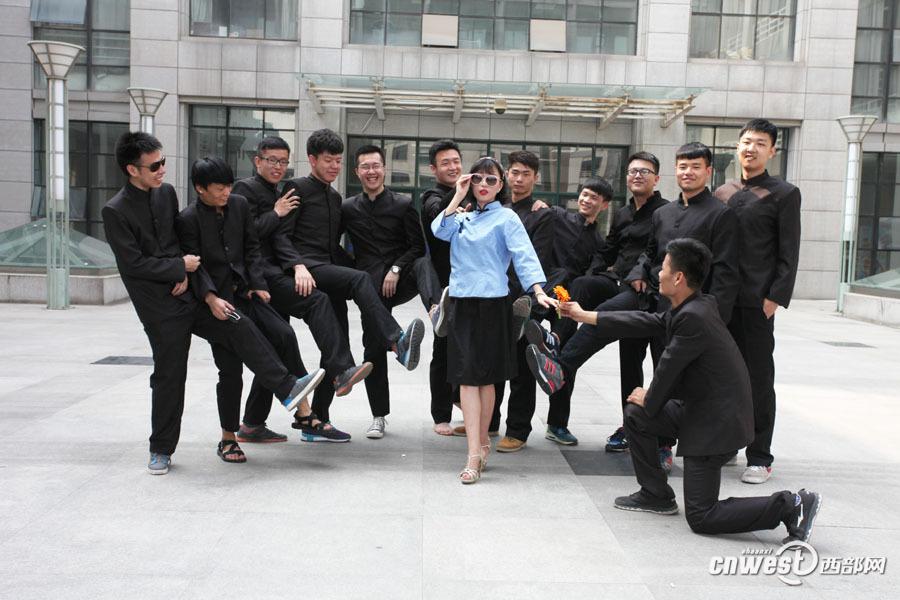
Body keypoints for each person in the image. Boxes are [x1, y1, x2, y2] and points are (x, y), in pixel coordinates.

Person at [526, 238, 821, 542]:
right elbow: (645, 320)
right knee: (636, 414)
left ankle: (792, 505)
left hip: (716, 424)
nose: (658, 273)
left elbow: (668, 367)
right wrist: (586, 315)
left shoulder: (694, 317)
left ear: (678, 278)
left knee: (702, 515)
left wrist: (651, 395)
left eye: (664, 268)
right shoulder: (694, 306)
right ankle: (655, 494)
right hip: (700, 410)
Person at [102, 132, 316, 474]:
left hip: (191, 294)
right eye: (154, 166)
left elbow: (176, 242)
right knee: (170, 376)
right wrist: (178, 267)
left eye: (163, 162)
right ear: (132, 169)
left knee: (238, 324)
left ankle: (288, 389)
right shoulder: (115, 210)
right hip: (160, 308)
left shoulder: (166, 193)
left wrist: (191, 278)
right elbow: (133, 264)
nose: (162, 170)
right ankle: (161, 449)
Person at [524, 143, 739, 472]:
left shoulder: (720, 214)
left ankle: (663, 444)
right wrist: (638, 272)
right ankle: (561, 369)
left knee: (668, 371)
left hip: (687, 309)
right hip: (646, 294)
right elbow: (649, 253)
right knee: (607, 324)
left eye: (695, 166)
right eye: (683, 166)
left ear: (708, 171)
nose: (688, 172)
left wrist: (715, 317)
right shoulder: (663, 214)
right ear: (675, 171)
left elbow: (725, 271)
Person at [176, 156, 326, 462]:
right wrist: (210, 298)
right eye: (219, 188)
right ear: (200, 188)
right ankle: (228, 439)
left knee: (283, 334)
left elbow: (251, 248)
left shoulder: (239, 205)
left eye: (229, 186)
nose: (226, 193)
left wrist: (258, 283)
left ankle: (296, 400)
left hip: (246, 293)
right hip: (217, 303)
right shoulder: (188, 219)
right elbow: (195, 266)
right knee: (230, 371)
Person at [282, 128, 425, 438]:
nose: (334, 166)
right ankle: (397, 341)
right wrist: (297, 265)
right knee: (360, 285)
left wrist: (392, 269)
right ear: (312, 160)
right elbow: (282, 234)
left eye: (338, 160)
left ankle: (316, 422)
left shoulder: (336, 199)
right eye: (328, 160)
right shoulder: (300, 189)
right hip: (312, 272)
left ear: (384, 168)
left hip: (344, 275)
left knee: (335, 346)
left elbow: (333, 246)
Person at [232, 136, 372, 444]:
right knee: (311, 308)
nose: (278, 167)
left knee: (278, 345)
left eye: (283, 161)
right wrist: (276, 214)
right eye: (272, 160)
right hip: (260, 280)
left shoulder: (283, 191)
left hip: (277, 276)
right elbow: (243, 235)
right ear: (257, 161)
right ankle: (325, 392)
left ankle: (254, 423)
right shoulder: (246, 189)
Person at [529, 152, 668, 454]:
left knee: (612, 327)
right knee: (629, 364)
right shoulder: (623, 214)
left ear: (656, 178)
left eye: (644, 171)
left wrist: (640, 272)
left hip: (650, 294)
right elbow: (608, 251)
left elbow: (657, 250)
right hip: (621, 289)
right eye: (632, 171)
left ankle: (560, 364)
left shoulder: (665, 212)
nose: (637, 175)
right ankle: (630, 425)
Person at [431, 156, 555, 484]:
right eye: (478, 179)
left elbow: (524, 254)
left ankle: (482, 444)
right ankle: (475, 452)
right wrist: (458, 196)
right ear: (469, 182)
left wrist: (538, 290)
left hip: (493, 305)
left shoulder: (507, 218)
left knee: (485, 380)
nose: (484, 185)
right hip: (461, 303)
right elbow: (438, 231)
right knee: (467, 379)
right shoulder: (460, 218)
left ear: (501, 186)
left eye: (491, 180)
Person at [714, 119, 802, 484]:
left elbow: (789, 251)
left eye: (760, 143)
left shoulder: (784, 193)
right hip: (720, 300)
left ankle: (760, 456)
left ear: (772, 151)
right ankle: (726, 445)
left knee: (758, 380)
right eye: (747, 142)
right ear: (737, 147)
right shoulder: (722, 191)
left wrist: (774, 298)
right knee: (723, 377)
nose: (751, 148)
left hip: (755, 302)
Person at [342, 144, 443, 438]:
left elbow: (417, 247)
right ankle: (378, 416)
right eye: (365, 167)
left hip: (400, 279)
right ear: (357, 172)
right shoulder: (348, 208)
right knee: (373, 349)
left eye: (376, 166)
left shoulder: (402, 204)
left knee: (423, 263)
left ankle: (436, 310)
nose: (371, 171)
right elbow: (331, 244)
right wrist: (352, 272)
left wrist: (397, 268)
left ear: (384, 169)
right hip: (369, 288)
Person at [419, 139, 465, 436]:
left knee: (469, 347)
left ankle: (461, 396)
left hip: (471, 282)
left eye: (456, 161)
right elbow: (438, 213)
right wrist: (458, 195)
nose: (452, 167)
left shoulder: (472, 192)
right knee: (444, 348)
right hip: (444, 285)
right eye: (445, 163)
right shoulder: (431, 196)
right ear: (433, 169)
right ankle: (441, 414)